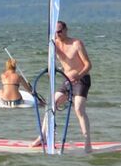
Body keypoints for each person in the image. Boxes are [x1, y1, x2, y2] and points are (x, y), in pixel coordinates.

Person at [31, 21, 93, 151]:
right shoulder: (54, 44)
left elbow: (88, 65)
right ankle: (42, 136)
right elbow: (52, 60)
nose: (57, 34)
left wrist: (79, 75)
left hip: (81, 80)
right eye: (55, 32)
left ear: (66, 30)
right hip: (67, 81)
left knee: (79, 109)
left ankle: (87, 142)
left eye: (59, 31)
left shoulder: (76, 44)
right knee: (51, 104)